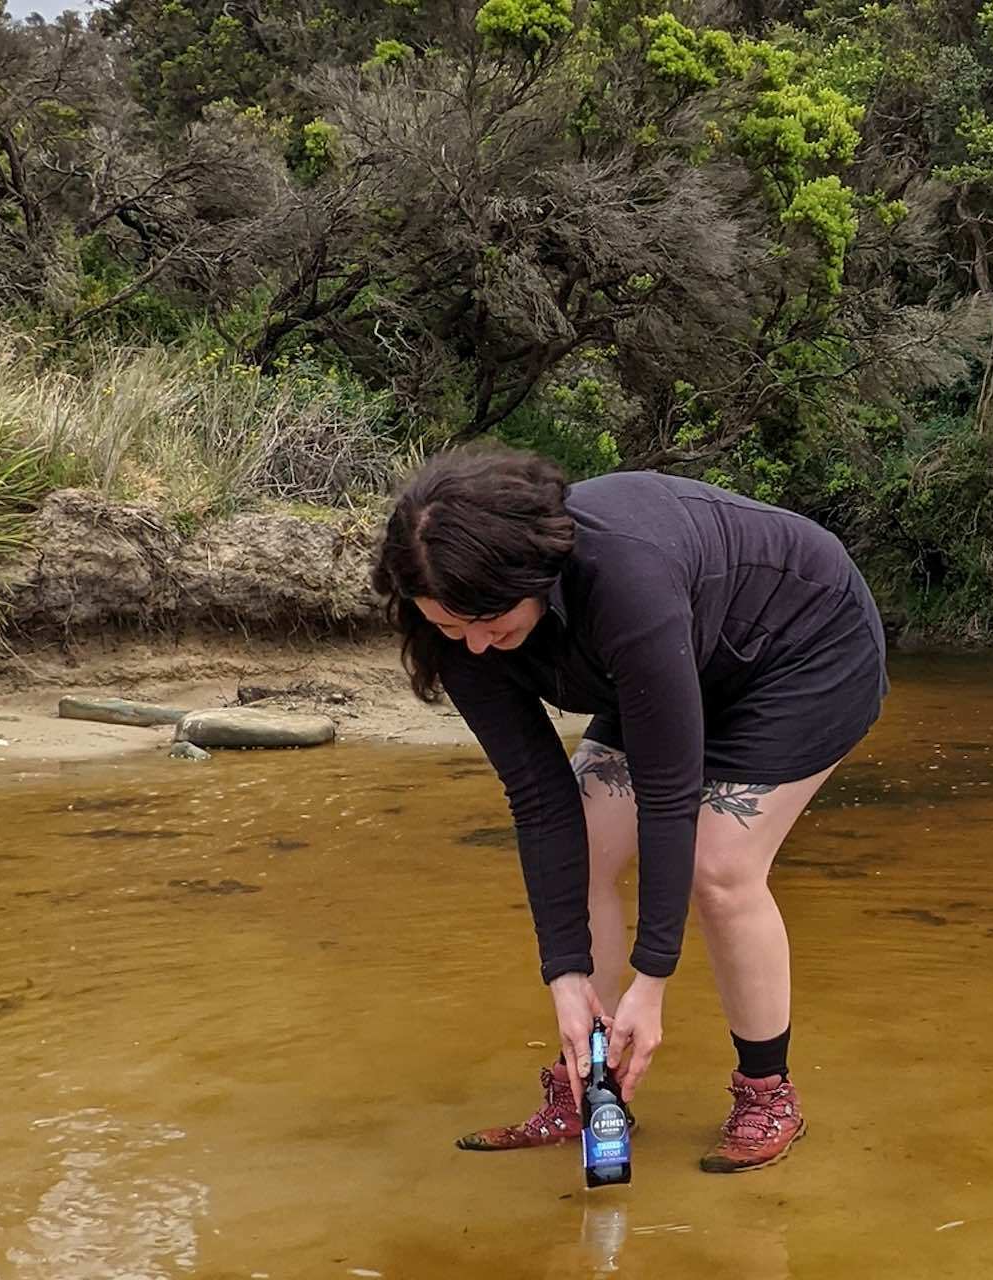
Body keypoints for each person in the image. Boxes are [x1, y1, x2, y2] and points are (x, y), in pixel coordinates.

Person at [371, 447, 886, 1173]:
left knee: (720, 868)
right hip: (670, 658)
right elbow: (537, 796)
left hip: (799, 651)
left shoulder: (624, 580)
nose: (478, 647)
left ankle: (767, 1091)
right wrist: (565, 975)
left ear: (535, 578)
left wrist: (654, 981)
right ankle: (590, 1084)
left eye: (488, 621)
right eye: (454, 630)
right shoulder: (454, 620)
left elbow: (670, 793)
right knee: (583, 842)